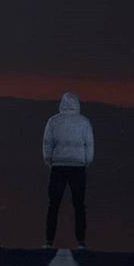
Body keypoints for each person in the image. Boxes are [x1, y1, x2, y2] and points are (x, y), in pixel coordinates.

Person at [42, 91, 94, 250]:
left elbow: (47, 144)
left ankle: (49, 241)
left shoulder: (53, 121)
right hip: (78, 168)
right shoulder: (84, 122)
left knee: (53, 205)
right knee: (79, 205)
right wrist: (87, 161)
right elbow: (89, 144)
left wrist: (49, 160)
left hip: (58, 167)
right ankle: (81, 242)